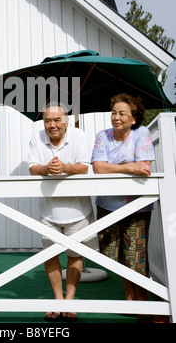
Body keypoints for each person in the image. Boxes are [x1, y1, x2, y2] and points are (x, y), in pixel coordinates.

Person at [28, 103, 97, 322]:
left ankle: (69, 300)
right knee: (51, 257)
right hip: (48, 212)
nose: (52, 125)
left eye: (57, 120)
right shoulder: (36, 138)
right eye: (47, 120)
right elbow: (32, 167)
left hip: (78, 210)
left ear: (66, 122)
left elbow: (84, 166)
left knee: (75, 255)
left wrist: (64, 167)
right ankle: (58, 301)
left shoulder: (79, 135)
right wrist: (47, 168)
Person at [91, 93, 155, 304]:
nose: (116, 117)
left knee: (135, 257)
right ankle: (130, 296)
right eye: (113, 113)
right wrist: (129, 166)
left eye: (122, 113)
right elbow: (98, 168)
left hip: (136, 206)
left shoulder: (141, 133)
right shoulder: (103, 136)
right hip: (107, 205)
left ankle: (142, 303)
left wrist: (115, 168)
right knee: (112, 255)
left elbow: (144, 166)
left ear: (133, 118)